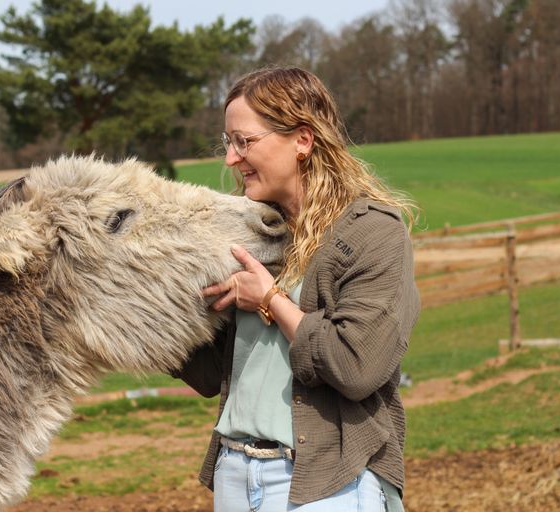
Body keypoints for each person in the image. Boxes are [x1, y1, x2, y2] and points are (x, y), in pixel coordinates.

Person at [173, 66, 420, 511]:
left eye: (244, 141)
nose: (231, 158)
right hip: (234, 472)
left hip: (325, 482)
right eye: (228, 143)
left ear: (302, 140)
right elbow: (213, 375)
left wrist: (269, 300)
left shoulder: (373, 234)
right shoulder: (254, 236)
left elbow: (357, 366)